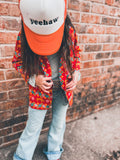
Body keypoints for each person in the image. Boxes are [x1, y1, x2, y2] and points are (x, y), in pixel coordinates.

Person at [12, 0, 81, 160]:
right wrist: (33, 78)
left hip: (64, 88)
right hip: (39, 91)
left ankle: (54, 152)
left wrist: (76, 72)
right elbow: (17, 61)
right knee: (33, 126)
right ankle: (22, 156)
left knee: (59, 124)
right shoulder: (24, 37)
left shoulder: (68, 30)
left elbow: (76, 52)